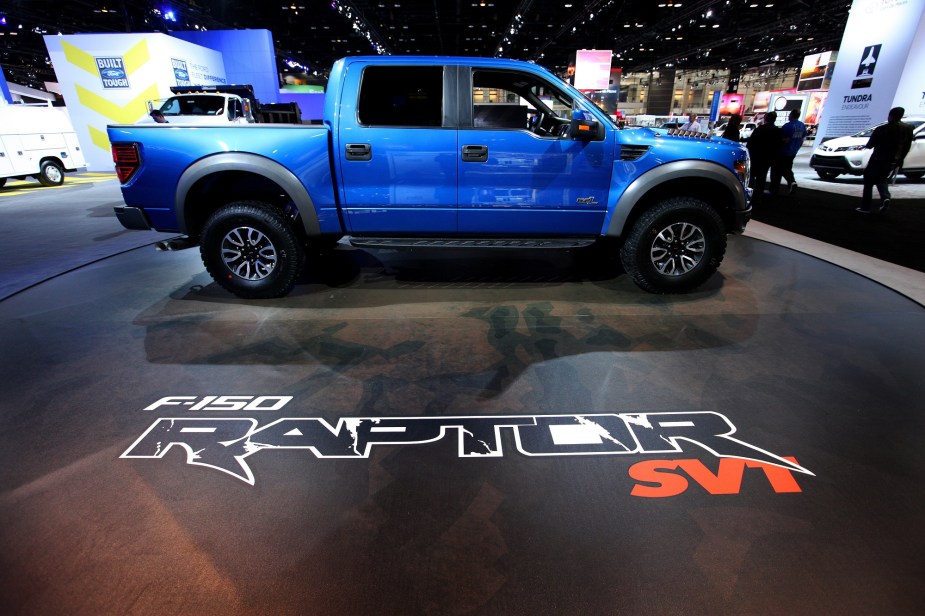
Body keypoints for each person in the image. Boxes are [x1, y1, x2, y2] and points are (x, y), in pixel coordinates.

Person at [857, 106, 914, 214]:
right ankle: (885, 198)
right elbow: (907, 147)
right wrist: (900, 159)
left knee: (869, 182)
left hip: (877, 158)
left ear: (890, 116)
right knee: (882, 179)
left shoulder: (881, 129)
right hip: (893, 160)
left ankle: (865, 207)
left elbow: (870, 145)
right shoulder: (908, 129)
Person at [770, 108, 806, 195]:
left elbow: (782, 139)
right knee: (787, 168)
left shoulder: (788, 126)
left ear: (792, 115)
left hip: (783, 152)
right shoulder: (802, 126)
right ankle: (791, 182)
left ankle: (775, 189)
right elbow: (802, 139)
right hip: (793, 152)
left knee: (778, 171)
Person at [746, 111, 780, 196]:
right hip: (768, 157)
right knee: (762, 176)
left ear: (765, 119)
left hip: (756, 156)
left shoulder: (760, 129)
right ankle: (759, 194)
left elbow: (751, 143)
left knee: (751, 175)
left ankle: (748, 193)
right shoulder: (777, 131)